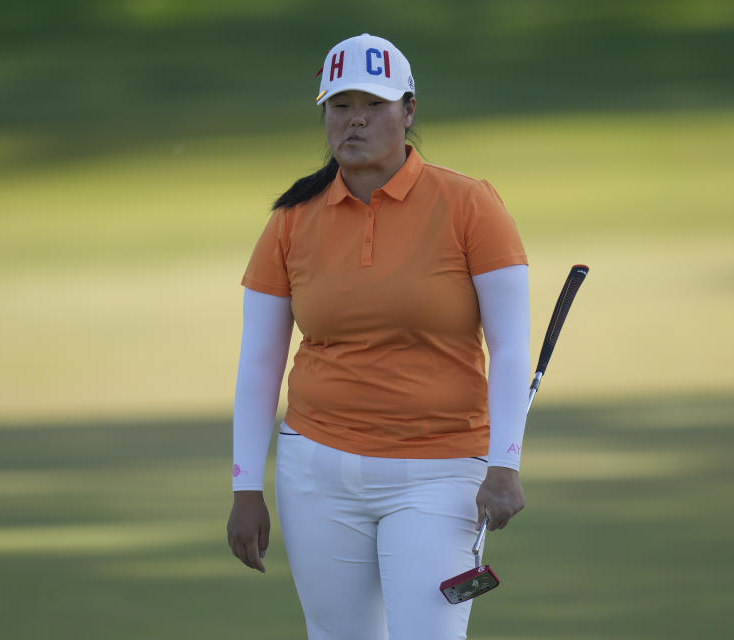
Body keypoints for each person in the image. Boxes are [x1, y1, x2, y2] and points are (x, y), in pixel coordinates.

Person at [227, 33, 531, 640]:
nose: (355, 120)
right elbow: (260, 361)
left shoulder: (470, 204)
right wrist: (245, 488)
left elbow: (511, 347)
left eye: (375, 105)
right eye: (340, 106)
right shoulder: (291, 219)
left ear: (409, 111)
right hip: (316, 470)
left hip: (441, 470)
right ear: (324, 114)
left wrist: (505, 464)